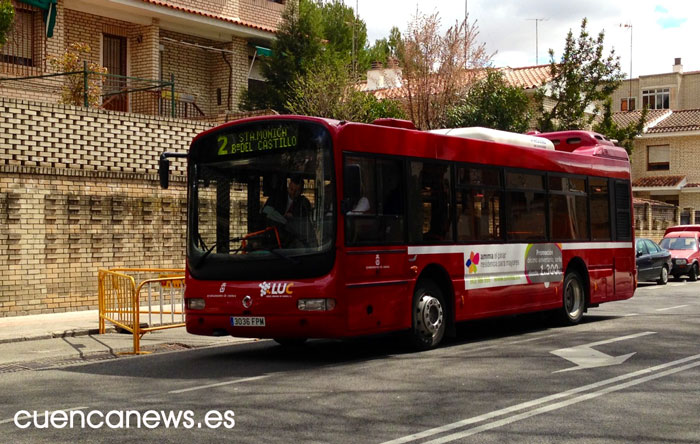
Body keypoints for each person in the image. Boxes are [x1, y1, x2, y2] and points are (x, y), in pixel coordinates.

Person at [263, 174, 313, 248]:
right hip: (273, 237)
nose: (293, 193)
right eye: (291, 189)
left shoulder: (303, 203)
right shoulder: (277, 197)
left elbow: (305, 221)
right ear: (288, 186)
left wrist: (294, 217)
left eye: (297, 191)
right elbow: (265, 210)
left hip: (292, 240)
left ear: (301, 191)